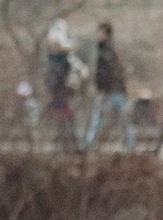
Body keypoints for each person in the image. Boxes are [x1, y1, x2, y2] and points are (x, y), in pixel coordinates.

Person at [87, 21, 131, 151]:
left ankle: (91, 144)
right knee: (121, 120)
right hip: (116, 90)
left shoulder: (106, 50)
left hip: (109, 91)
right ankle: (129, 145)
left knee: (99, 119)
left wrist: (103, 89)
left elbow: (107, 73)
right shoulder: (112, 48)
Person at [44, 23, 79, 149]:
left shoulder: (60, 60)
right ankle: (69, 145)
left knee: (64, 121)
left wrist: (51, 89)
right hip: (66, 94)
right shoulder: (66, 59)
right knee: (66, 121)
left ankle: (67, 146)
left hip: (62, 94)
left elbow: (55, 79)